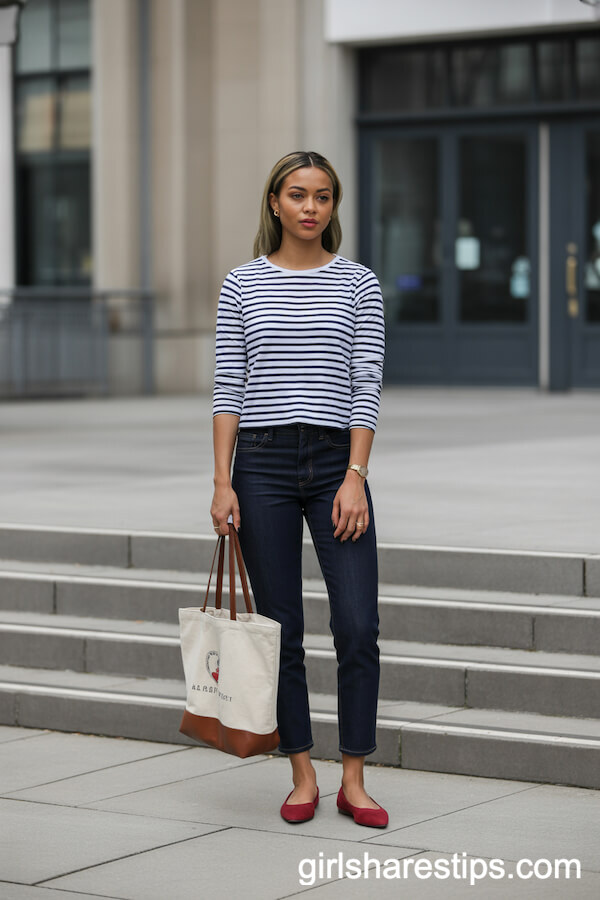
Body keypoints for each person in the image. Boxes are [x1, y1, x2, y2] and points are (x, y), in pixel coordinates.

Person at [209, 150, 387, 828]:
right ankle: (303, 772)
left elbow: (365, 382)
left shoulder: (359, 285)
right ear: (275, 203)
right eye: (297, 194)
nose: (310, 207)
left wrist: (356, 477)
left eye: (322, 196)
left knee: (357, 625)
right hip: (261, 463)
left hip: (338, 462)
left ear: (333, 207)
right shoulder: (242, 284)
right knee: (280, 628)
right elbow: (230, 387)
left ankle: (356, 778)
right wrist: (223, 481)